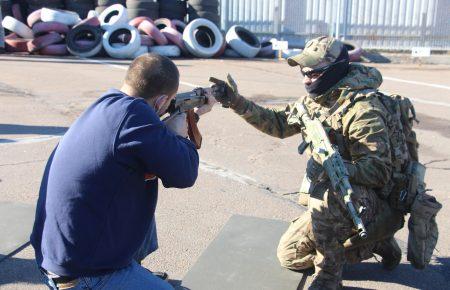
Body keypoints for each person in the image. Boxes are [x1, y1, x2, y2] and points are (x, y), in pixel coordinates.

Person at [210, 36, 406, 289]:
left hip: (366, 198)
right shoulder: (318, 101)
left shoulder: (363, 111)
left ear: (334, 70)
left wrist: (335, 168)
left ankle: (329, 276)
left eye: (314, 73)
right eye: (304, 72)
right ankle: (373, 242)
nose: (306, 79)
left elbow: (379, 171)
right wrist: (235, 101)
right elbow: (278, 124)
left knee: (326, 197)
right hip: (337, 193)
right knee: (290, 256)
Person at [30, 53, 214, 290]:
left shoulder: (109, 104)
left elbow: (146, 145)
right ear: (160, 103)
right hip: (83, 274)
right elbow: (184, 173)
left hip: (57, 255)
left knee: (140, 185)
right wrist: (179, 136)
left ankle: (131, 270)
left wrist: (193, 117)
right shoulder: (135, 118)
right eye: (167, 103)